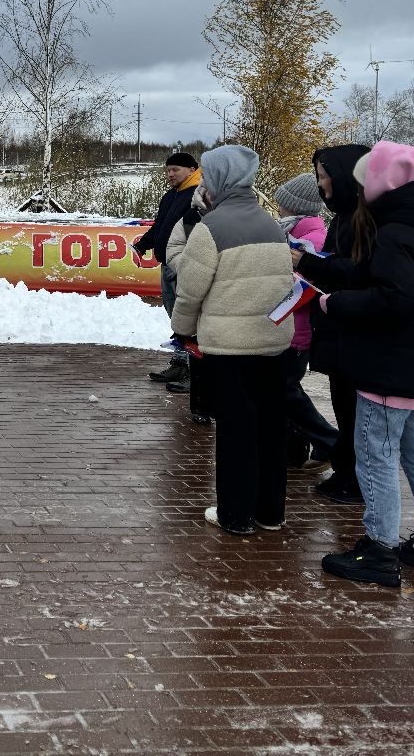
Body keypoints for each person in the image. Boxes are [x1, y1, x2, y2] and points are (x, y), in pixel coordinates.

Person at [319, 142, 414, 587]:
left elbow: (395, 297)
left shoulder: (394, 233)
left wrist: (335, 304)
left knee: (375, 456)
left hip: (390, 370)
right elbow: (376, 276)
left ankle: (378, 550)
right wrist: (330, 275)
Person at [168, 145, 294, 536]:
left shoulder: (212, 228)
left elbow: (190, 290)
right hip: (273, 345)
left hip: (229, 347)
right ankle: (271, 513)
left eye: (207, 176)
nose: (203, 183)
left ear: (220, 179)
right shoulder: (272, 224)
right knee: (270, 427)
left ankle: (236, 514)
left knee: (236, 430)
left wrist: (182, 330)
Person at [293, 144, 371, 505]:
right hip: (340, 326)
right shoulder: (345, 215)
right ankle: (345, 471)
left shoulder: (366, 219)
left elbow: (357, 272)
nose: (321, 185)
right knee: (343, 402)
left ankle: (357, 480)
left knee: (355, 409)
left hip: (355, 330)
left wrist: (307, 263)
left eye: (325, 177)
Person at [273, 172, 339, 470]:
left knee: (284, 389)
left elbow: (306, 281)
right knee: (283, 389)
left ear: (295, 206)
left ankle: (329, 442)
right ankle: (295, 450)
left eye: (282, 203)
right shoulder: (291, 231)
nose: (277, 207)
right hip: (286, 325)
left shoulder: (312, 237)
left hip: (297, 329)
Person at [134, 153, 202, 387]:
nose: (170, 174)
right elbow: (160, 226)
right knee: (176, 318)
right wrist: (143, 245)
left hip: (186, 266)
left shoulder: (199, 196)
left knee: (190, 319)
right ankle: (180, 363)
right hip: (168, 265)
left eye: (175, 169)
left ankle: (195, 371)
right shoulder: (171, 196)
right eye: (168, 170)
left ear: (192, 169)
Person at [161, 186, 210, 422]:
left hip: (227, 295)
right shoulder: (191, 217)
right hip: (195, 291)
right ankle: (200, 406)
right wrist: (191, 270)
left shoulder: (242, 216)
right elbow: (174, 248)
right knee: (196, 344)